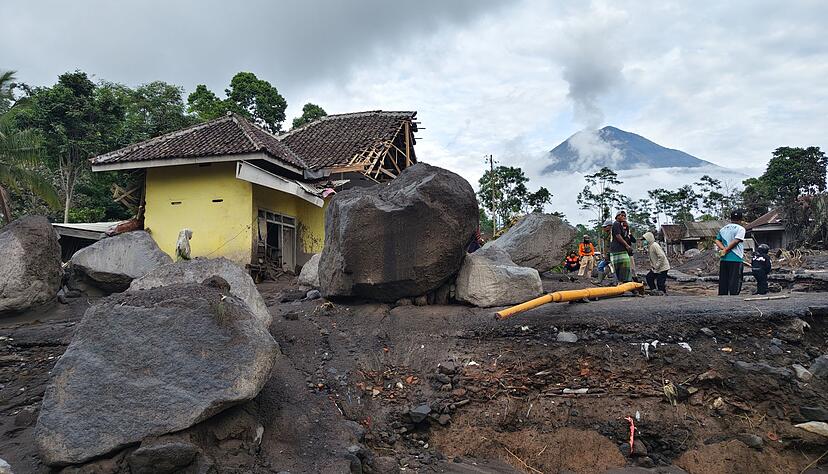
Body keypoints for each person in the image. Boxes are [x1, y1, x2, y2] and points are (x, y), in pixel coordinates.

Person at [715, 210, 747, 295]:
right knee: (735, 280)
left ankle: (722, 297)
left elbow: (717, 240)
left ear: (731, 218)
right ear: (741, 219)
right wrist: (726, 249)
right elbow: (736, 241)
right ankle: (734, 298)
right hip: (736, 258)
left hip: (724, 258)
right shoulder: (741, 229)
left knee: (723, 280)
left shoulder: (723, 229)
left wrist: (723, 249)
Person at [609, 211, 634, 283]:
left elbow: (626, 236)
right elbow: (618, 236)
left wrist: (627, 227)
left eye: (625, 216)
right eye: (622, 215)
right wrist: (627, 246)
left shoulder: (620, 225)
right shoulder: (616, 224)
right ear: (617, 216)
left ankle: (624, 282)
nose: (624, 217)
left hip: (621, 250)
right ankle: (622, 282)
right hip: (617, 250)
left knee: (624, 267)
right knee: (620, 267)